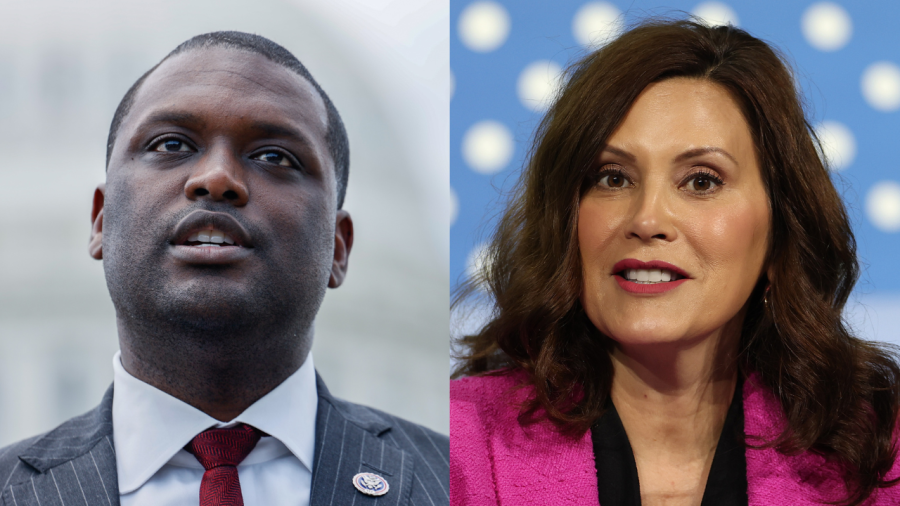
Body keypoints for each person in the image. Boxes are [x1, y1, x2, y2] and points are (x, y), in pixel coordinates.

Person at [450, 19, 900, 506]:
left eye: (701, 181)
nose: (646, 220)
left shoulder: (879, 456)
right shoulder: (455, 446)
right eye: (613, 178)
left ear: (779, 234)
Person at [0, 31, 448, 506]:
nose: (216, 178)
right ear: (101, 220)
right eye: (171, 144)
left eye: (274, 156)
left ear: (339, 247)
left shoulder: (461, 485)